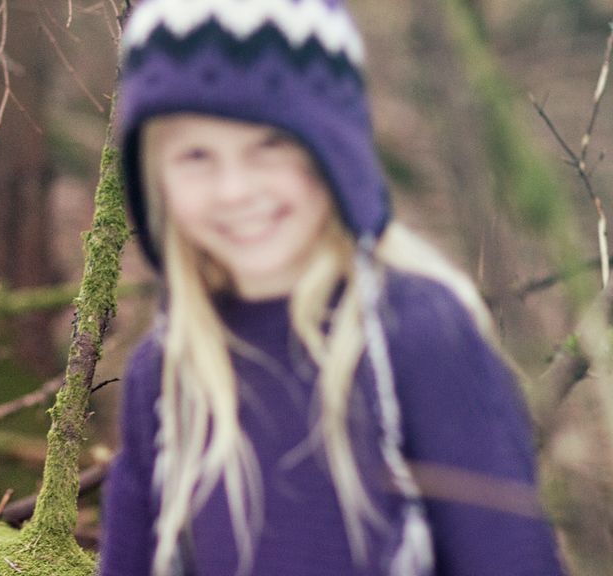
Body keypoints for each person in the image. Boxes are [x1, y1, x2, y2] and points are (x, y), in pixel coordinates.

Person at [99, 1, 565, 575]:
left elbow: (510, 558)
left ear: (333, 150)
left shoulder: (416, 335)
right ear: (155, 178)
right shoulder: (165, 372)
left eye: (270, 147)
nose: (235, 189)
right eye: (196, 155)